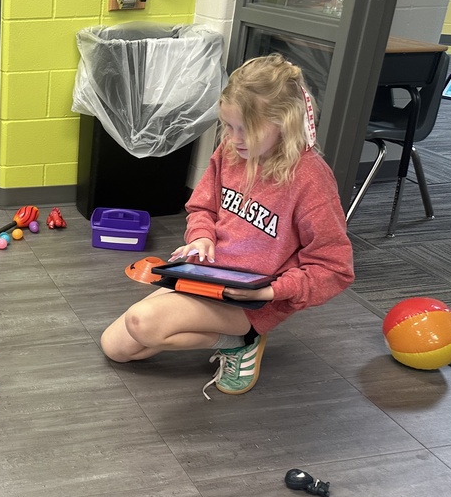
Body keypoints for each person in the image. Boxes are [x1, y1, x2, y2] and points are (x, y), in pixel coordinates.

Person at [101, 54, 354, 398]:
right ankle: (235, 339)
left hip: (256, 299)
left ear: (284, 121)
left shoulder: (310, 179)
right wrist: (201, 238)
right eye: (228, 126)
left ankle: (243, 341)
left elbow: (334, 269)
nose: (234, 138)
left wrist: (270, 292)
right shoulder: (232, 152)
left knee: (142, 322)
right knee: (115, 347)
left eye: (245, 129)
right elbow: (201, 206)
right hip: (209, 278)